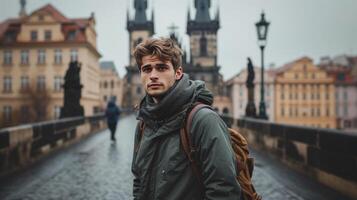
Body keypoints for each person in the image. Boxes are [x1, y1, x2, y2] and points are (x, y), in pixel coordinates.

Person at [131, 37, 241, 200]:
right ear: (141, 74)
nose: (153, 75)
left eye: (161, 68)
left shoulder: (203, 120)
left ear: (178, 73)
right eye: (147, 69)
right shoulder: (143, 124)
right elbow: (139, 180)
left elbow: (224, 191)